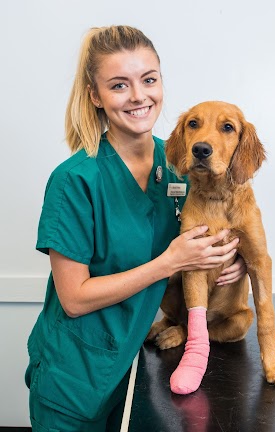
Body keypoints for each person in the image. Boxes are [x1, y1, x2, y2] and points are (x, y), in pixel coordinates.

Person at [25, 25, 247, 431]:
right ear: (96, 96)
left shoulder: (179, 161)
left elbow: (214, 227)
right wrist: (169, 262)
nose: (139, 96)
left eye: (148, 80)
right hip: (75, 378)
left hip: (137, 363)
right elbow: (73, 298)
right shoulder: (75, 180)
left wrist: (232, 262)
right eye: (118, 85)